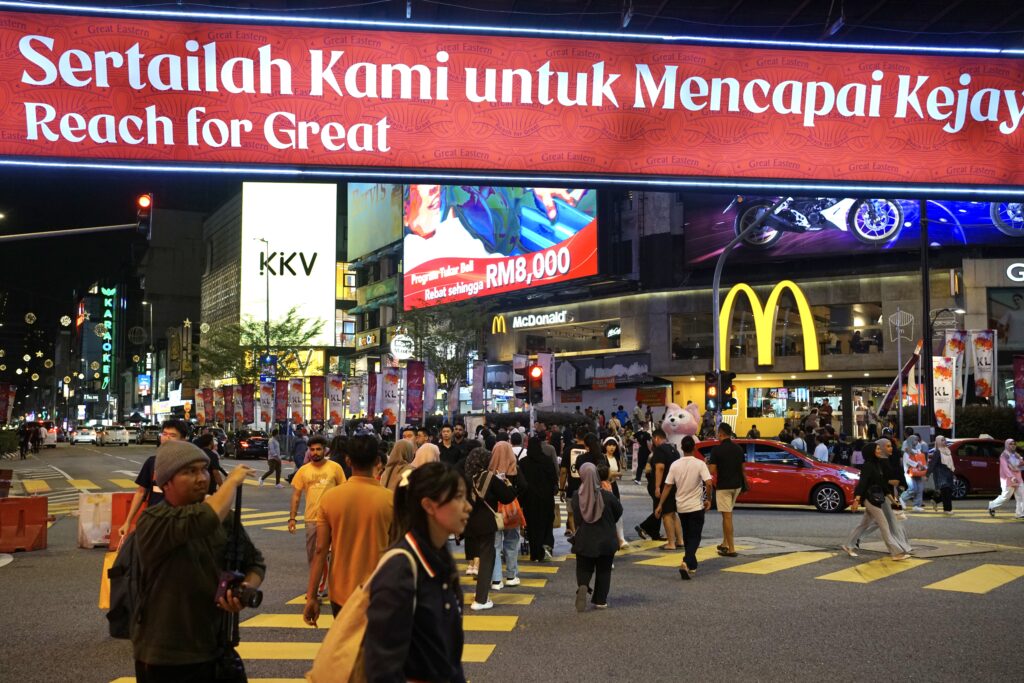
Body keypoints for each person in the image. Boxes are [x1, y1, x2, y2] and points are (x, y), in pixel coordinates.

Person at [131, 441, 265, 682]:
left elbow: (255, 563)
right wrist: (232, 482)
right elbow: (204, 519)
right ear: (166, 482)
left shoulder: (222, 517)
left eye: (204, 469)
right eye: (189, 472)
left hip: (216, 647)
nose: (202, 478)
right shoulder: (154, 519)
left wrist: (244, 588)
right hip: (165, 657)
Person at [363, 462, 471, 683]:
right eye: (458, 497)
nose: (468, 506)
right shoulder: (401, 568)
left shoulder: (440, 557)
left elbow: (448, 655)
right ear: (429, 506)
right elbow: (381, 667)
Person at [303, 435, 393, 621]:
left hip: (341, 590)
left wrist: (311, 597)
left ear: (348, 460)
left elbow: (320, 551)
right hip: (381, 589)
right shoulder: (391, 500)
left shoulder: (330, 498)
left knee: (347, 646)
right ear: (377, 461)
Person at [288, 435, 347, 596]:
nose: (315, 452)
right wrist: (292, 518)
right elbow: (296, 495)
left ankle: (320, 588)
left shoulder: (335, 468)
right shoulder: (303, 471)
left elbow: (344, 492)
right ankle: (322, 585)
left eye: (318, 449)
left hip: (333, 519)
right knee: (313, 555)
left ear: (325, 450)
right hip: (312, 519)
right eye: (312, 449)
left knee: (327, 553)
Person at [463, 447, 517, 611]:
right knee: (488, 559)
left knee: (479, 558)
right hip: (486, 523)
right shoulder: (489, 477)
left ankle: (480, 595)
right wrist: (508, 485)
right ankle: (481, 599)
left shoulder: (466, 477)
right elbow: (507, 497)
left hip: (469, 522)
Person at [118, 420, 188, 538]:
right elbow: (141, 492)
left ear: (183, 440)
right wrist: (127, 522)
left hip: (180, 523)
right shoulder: (152, 462)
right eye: (164, 434)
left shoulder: (189, 465)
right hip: (154, 522)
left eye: (172, 435)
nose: (167, 438)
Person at [842, 442, 912, 561]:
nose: (880, 451)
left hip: (877, 498)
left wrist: (893, 500)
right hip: (869, 499)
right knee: (884, 524)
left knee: (863, 524)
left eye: (880, 448)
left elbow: (882, 485)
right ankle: (895, 552)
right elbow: (862, 484)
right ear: (871, 452)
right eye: (878, 449)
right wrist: (857, 500)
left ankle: (848, 545)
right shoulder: (868, 466)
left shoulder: (876, 464)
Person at [656, 436, 713, 580]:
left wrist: (660, 504)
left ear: (681, 448)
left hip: (681, 506)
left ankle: (692, 564)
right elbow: (709, 483)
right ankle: (686, 562)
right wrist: (709, 499)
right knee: (695, 536)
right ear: (694, 447)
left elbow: (668, 485)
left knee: (688, 536)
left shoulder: (675, 465)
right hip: (696, 505)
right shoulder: (700, 464)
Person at [571, 462, 622, 611]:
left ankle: (583, 585)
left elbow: (577, 518)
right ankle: (600, 600)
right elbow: (618, 511)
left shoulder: (577, 496)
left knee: (583, 567)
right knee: (604, 570)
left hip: (585, 539)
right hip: (606, 539)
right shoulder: (607, 496)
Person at [488, 441, 528, 589]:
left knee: (495, 545)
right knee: (512, 543)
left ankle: (496, 580)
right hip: (511, 513)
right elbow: (524, 486)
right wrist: (514, 498)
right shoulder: (515, 469)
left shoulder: (489, 471)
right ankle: (511, 576)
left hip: (495, 513)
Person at [707, 423, 745, 557]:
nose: (717, 436)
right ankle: (725, 543)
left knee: (727, 517)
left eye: (718, 433)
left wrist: (707, 464)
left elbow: (712, 470)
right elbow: (742, 468)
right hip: (737, 486)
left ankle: (731, 549)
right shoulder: (739, 448)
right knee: (726, 515)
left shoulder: (717, 450)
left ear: (721, 433)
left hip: (724, 487)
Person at [519, 435, 558, 562]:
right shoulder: (547, 461)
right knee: (545, 523)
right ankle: (545, 546)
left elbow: (521, 482)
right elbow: (553, 478)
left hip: (530, 499)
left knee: (532, 525)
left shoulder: (523, 462)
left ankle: (534, 553)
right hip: (546, 499)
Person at [635, 428, 677, 544]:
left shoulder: (658, 451)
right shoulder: (672, 450)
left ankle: (651, 531)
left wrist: (657, 486)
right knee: (662, 509)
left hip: (659, 485)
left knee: (660, 508)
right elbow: (658, 468)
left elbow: (650, 470)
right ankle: (647, 528)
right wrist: (657, 486)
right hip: (661, 485)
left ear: (656, 438)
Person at [601, 436, 629, 549]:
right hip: (605, 486)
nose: (611, 447)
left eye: (613, 445)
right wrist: (615, 473)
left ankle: (621, 538)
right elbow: (606, 473)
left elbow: (622, 471)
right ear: (605, 446)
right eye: (609, 445)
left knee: (618, 512)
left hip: (614, 486)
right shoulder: (603, 458)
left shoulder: (617, 458)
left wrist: (614, 473)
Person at [987, 438, 1024, 518]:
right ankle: (992, 505)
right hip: (1007, 479)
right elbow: (1005, 468)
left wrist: (1021, 459)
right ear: (1007, 445)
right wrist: (1011, 477)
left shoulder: (1017, 455)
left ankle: (1020, 513)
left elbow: (1021, 465)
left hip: (1018, 478)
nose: (1013, 445)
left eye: (1014, 444)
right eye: (1011, 444)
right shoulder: (1004, 456)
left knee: (1021, 496)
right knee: (1006, 497)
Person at [927, 435, 956, 515]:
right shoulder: (937, 452)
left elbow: (951, 463)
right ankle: (947, 509)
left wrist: (953, 474)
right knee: (945, 491)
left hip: (948, 474)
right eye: (942, 440)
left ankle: (935, 500)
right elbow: (932, 464)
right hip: (940, 474)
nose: (944, 441)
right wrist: (927, 474)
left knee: (949, 491)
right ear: (938, 442)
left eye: (944, 440)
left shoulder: (947, 450)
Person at [900, 435, 927, 512]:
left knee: (919, 488)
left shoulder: (918, 451)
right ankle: (902, 498)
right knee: (913, 488)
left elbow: (921, 459)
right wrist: (917, 465)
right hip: (909, 473)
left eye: (917, 440)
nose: (916, 442)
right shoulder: (907, 451)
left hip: (918, 472)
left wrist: (924, 467)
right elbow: (908, 461)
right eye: (915, 440)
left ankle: (917, 505)